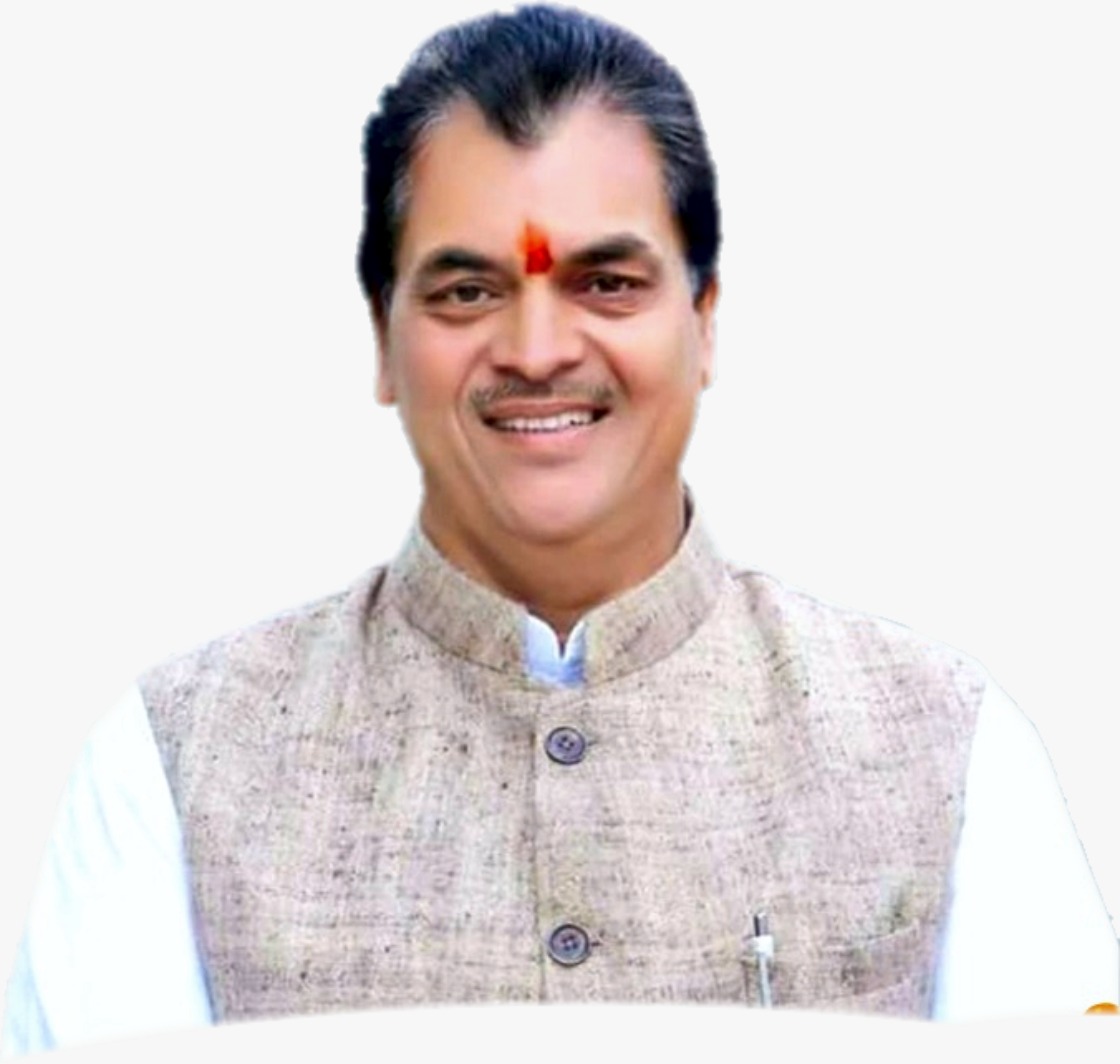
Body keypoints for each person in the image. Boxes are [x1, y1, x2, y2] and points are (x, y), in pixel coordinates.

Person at [2, 4, 1116, 1054]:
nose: (537, 350)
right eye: (466, 292)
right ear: (383, 340)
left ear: (705, 322)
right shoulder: (176, 760)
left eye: (608, 282)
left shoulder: (944, 746)